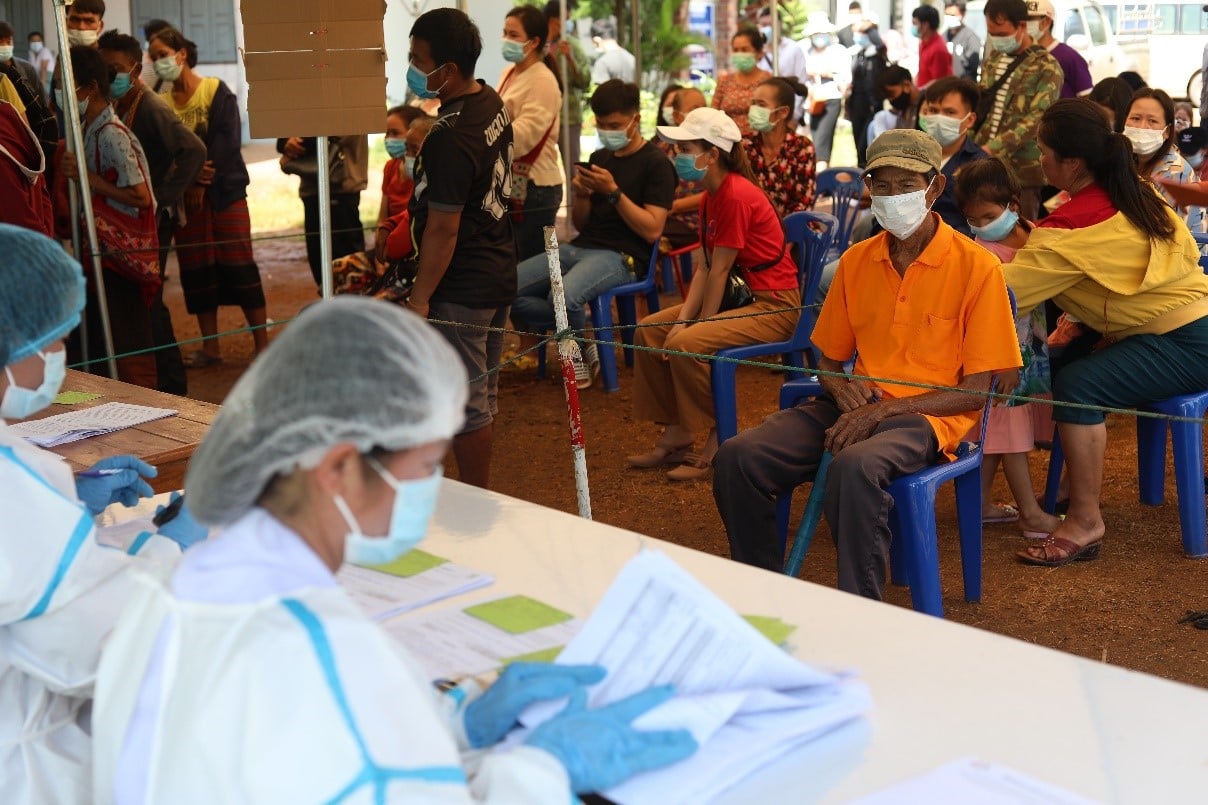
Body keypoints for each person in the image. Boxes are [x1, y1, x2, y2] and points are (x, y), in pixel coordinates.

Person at [91, 296, 697, 803]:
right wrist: (542, 771)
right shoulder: (319, 647)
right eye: (427, 466)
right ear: (339, 467)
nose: (434, 486)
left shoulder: (181, 581)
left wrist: (454, 722)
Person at [713, 129, 1021, 597]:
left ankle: (862, 607)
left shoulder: (977, 267)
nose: (893, 197)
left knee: (854, 467)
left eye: (907, 185)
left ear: (934, 188)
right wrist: (839, 387)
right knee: (739, 457)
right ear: (868, 188)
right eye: (882, 185)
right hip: (856, 406)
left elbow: (976, 391)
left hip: (930, 418)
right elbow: (830, 360)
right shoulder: (856, 262)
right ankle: (763, 594)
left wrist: (883, 410)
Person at [0, 223, 200, 805]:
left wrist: (69, 510)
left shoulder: (21, 479)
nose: (59, 359)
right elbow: (101, 653)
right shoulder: (14, 484)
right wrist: (173, 548)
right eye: (55, 341)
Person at [1004, 99, 1208, 566]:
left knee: (1079, 385)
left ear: (1072, 162)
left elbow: (1004, 294)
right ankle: (1074, 487)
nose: (1040, 160)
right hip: (1192, 325)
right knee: (1074, 360)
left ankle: (1085, 520)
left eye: (1043, 151)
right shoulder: (1138, 191)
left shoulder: (1067, 230)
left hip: (1187, 342)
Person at [630, 108, 800, 481]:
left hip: (774, 305)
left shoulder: (736, 195)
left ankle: (718, 436)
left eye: (686, 148)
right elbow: (706, 268)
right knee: (649, 330)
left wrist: (695, 326)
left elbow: (720, 271)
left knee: (686, 344)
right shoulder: (711, 194)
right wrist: (683, 321)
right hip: (743, 299)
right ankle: (678, 429)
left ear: (712, 154)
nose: (678, 156)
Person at [407, 8, 518, 489]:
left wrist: (420, 297)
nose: (412, 68)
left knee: (466, 403)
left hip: (463, 283)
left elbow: (442, 230)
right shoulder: (489, 100)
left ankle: (475, 497)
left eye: (418, 59)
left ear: (448, 69)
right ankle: (473, 494)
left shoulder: (449, 136)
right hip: (496, 267)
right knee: (481, 394)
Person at [512, 79, 674, 388]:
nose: (607, 131)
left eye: (615, 125)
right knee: (505, 288)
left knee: (564, 296)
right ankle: (584, 339)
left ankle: (575, 351)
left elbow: (652, 230)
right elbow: (582, 223)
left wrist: (613, 192)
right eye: (601, 125)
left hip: (623, 256)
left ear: (635, 119)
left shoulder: (656, 164)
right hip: (581, 246)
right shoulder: (600, 158)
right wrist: (583, 196)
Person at [150, 27, 269, 368]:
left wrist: (200, 181)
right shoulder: (160, 103)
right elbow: (161, 150)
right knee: (196, 270)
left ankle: (263, 346)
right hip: (186, 204)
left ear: (181, 54)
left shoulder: (216, 91)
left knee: (240, 264)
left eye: (162, 54)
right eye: (153, 57)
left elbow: (227, 140)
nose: (158, 62)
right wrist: (187, 182)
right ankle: (211, 347)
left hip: (225, 194)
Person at [97, 31, 205, 397]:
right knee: (142, 300)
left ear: (134, 68)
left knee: (151, 299)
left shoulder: (151, 107)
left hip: (153, 220)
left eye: (115, 69)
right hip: (136, 220)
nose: (109, 77)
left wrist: (163, 198)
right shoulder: (120, 105)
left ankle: (171, 383)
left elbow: (194, 150)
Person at [954, 157, 1051, 538]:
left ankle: (978, 506)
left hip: (1027, 352)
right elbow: (988, 317)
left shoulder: (1033, 232)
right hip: (1002, 359)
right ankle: (1031, 514)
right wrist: (1004, 362)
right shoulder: (983, 254)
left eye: (988, 216)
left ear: (1013, 204)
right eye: (972, 220)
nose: (980, 226)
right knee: (1011, 437)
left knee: (994, 433)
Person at [59, 45, 158, 389]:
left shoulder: (112, 135)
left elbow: (141, 196)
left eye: (64, 85)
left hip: (120, 258)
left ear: (90, 88)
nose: (59, 93)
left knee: (127, 341)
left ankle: (141, 404)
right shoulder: (88, 129)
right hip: (103, 255)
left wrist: (86, 178)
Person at [975, 0, 1061, 221]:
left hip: (1021, 171)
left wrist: (993, 148)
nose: (997, 39)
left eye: (1002, 33)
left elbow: (1038, 118)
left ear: (1021, 26)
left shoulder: (1046, 66)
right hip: (984, 164)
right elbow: (981, 106)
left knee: (1019, 229)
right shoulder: (993, 60)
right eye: (992, 33)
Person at [499, 4, 564, 262]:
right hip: (516, 183)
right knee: (516, 261)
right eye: (505, 33)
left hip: (537, 188)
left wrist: (483, 135)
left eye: (513, 35)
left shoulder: (543, 80)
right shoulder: (510, 73)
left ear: (534, 41)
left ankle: (555, 290)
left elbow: (523, 137)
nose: (506, 39)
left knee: (536, 265)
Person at [276, 132, 370, 286]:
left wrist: (295, 142)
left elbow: (333, 129)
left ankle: (351, 300)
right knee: (319, 261)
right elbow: (284, 137)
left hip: (341, 185)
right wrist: (286, 142)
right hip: (312, 187)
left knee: (348, 265)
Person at [917, 76, 990, 237]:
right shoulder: (910, 154)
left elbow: (978, 226)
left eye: (949, 112)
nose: (939, 118)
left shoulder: (979, 166)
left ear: (969, 120)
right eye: (933, 111)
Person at [1126, 88, 1203, 231]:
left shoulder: (1177, 173)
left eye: (1152, 121)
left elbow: (1170, 233)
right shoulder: (1124, 161)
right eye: (1135, 118)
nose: (1142, 127)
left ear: (1167, 131)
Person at [744, 76, 816, 216]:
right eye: (753, 104)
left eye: (761, 105)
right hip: (752, 224)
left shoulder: (802, 147)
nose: (753, 110)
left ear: (783, 112)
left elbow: (804, 204)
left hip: (793, 226)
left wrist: (774, 226)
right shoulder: (745, 144)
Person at [658, 86, 707, 251]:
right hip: (664, 215)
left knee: (653, 233)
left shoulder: (712, 150)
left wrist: (677, 206)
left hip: (698, 219)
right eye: (695, 110)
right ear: (677, 116)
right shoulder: (661, 149)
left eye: (704, 109)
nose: (702, 115)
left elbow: (720, 191)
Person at [544, 0, 590, 175]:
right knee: (542, 168)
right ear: (554, 20)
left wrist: (570, 59)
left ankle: (576, 194)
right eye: (566, 19)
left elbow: (585, 81)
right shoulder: (536, 44)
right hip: (544, 116)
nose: (568, 23)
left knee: (573, 169)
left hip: (568, 117)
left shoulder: (572, 45)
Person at [804, 16, 850, 171]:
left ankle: (820, 175)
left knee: (822, 139)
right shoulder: (807, 52)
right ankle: (824, 174)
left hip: (832, 98)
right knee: (817, 138)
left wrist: (826, 73)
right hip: (813, 100)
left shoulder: (839, 51)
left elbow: (845, 77)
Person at [0, 98, 52, 235]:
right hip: (39, 231)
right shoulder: (9, 116)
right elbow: (41, 187)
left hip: (25, 242)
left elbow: (17, 224)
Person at [711, 26, 771, 135]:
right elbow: (713, 114)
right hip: (727, 140)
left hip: (759, 140)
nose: (739, 54)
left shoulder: (769, 81)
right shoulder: (724, 81)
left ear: (759, 52)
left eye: (744, 50)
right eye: (735, 50)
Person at [1027, 0, 1092, 99]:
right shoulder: (1024, 55)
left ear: (1046, 21)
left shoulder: (1069, 57)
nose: (1025, 24)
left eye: (1030, 19)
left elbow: (1086, 98)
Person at [846, 14, 888, 166]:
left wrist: (874, 104)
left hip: (871, 105)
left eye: (861, 33)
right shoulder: (859, 54)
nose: (857, 37)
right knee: (858, 141)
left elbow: (874, 82)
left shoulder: (877, 57)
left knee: (866, 144)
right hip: (856, 103)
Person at [757, 6, 810, 121]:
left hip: (788, 114)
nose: (767, 29)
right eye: (764, 25)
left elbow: (801, 82)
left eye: (771, 25)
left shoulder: (793, 49)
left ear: (779, 25)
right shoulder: (756, 53)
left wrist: (794, 116)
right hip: (763, 116)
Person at [0, 22, 45, 104]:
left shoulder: (27, 69)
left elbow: (41, 100)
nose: (5, 46)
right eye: (0, 42)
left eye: (8, 41)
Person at [873, 64, 920, 138]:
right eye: (887, 97)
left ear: (906, 85)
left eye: (891, 94)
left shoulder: (927, 104)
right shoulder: (902, 112)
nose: (891, 100)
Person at [912, 5, 952, 87]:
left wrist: (920, 91)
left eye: (915, 23)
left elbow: (939, 81)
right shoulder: (923, 43)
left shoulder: (938, 49)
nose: (913, 27)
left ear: (925, 25)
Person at [944, 1, 981, 80]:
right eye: (947, 14)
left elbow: (972, 69)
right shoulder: (943, 36)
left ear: (963, 14)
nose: (949, 18)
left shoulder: (971, 39)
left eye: (953, 15)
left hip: (961, 84)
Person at [26, 30, 54, 96]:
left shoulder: (45, 51)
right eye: (33, 41)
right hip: (37, 76)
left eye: (38, 41)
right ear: (29, 42)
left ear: (42, 41)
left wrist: (42, 85)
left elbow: (44, 68)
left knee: (45, 94)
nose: (36, 43)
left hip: (47, 76)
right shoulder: (31, 52)